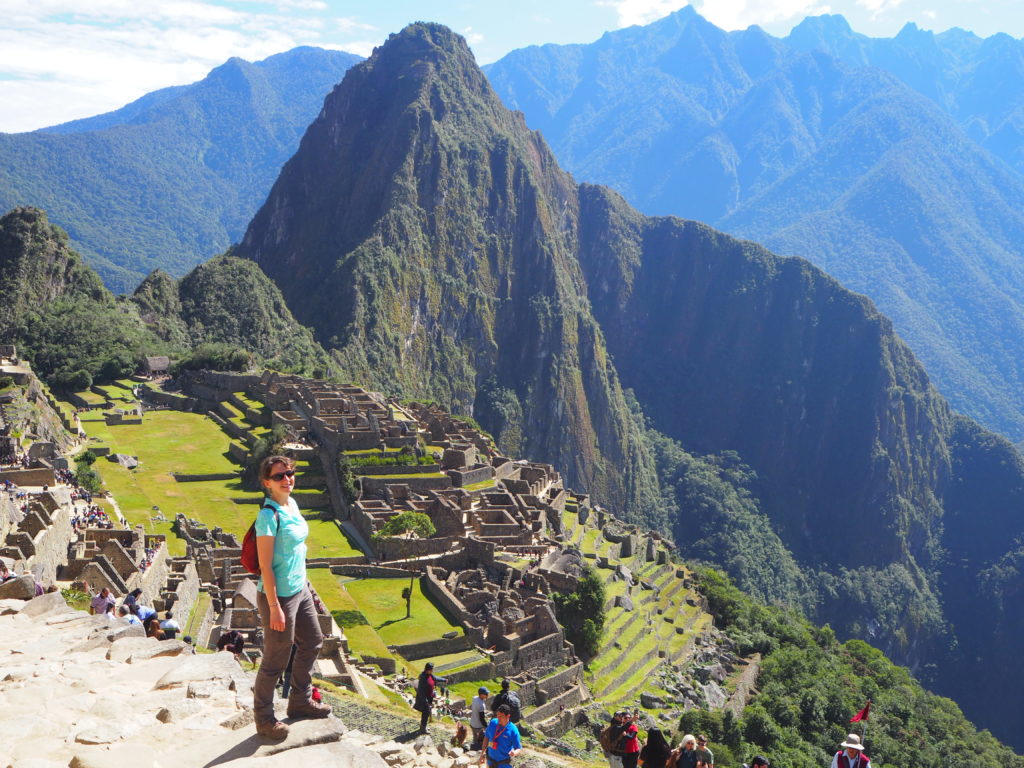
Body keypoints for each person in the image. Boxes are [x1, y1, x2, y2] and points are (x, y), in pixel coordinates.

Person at [252, 455, 328, 741]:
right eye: (280, 475)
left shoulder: (292, 504)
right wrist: (274, 607)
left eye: (290, 473)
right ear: (267, 483)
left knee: (313, 642)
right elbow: (266, 566)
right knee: (275, 659)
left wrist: (305, 584)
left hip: (300, 589)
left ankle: (299, 701)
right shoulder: (268, 516)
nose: (287, 479)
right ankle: (264, 718)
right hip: (279, 596)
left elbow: (297, 549)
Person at [478, 703, 522, 768]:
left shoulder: (513, 730)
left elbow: (518, 748)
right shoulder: (493, 723)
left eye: (501, 716)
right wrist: (482, 753)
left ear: (508, 716)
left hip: (504, 764)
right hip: (490, 761)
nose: (499, 718)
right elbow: (486, 737)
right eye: (498, 715)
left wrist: (514, 753)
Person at [414, 661, 437, 734]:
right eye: (432, 669)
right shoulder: (423, 677)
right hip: (424, 699)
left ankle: (423, 727)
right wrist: (425, 701)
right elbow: (421, 691)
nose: (432, 671)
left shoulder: (429, 675)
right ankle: (423, 729)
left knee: (425, 713)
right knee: (426, 712)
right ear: (428, 669)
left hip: (428, 698)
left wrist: (444, 680)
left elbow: (435, 678)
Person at [469, 686, 490, 751]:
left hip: (472, 723)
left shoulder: (474, 698)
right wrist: (486, 726)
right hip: (478, 726)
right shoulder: (481, 705)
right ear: (481, 695)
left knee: (475, 738)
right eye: (485, 694)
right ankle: (478, 751)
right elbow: (481, 718)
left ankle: (473, 749)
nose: (487, 695)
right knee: (480, 739)